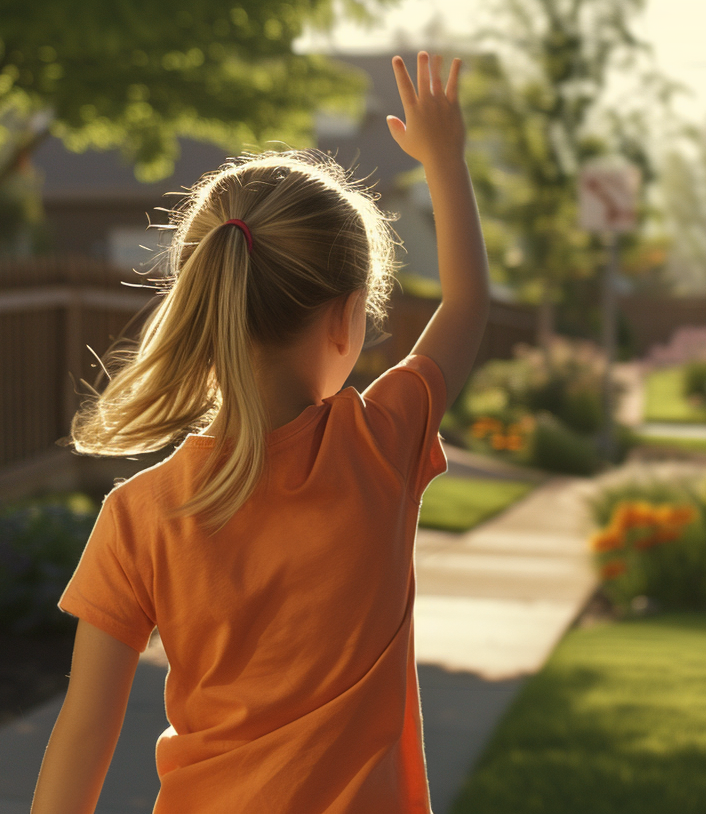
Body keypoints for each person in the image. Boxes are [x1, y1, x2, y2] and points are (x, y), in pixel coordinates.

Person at [29, 52, 488, 814]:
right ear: (345, 318)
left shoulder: (138, 517)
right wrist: (446, 158)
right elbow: (466, 307)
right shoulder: (379, 446)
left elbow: (83, 737)